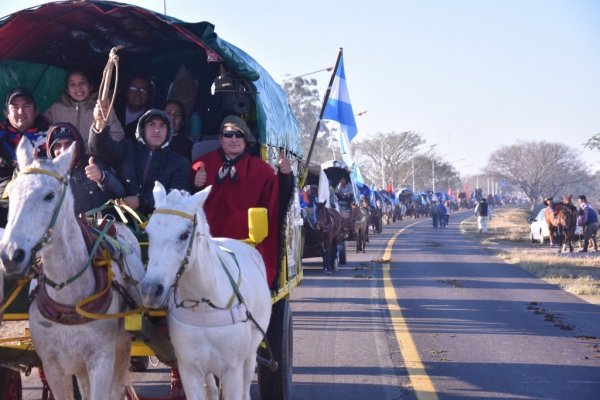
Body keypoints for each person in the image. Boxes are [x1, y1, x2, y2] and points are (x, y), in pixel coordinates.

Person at [192, 115, 292, 287]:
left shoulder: (261, 170)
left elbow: (277, 200)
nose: (234, 139)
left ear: (246, 141)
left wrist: (285, 176)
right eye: (228, 134)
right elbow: (184, 200)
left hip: (244, 247)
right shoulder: (202, 164)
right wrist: (195, 185)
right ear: (220, 139)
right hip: (205, 243)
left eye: (239, 135)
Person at [90, 104, 191, 215]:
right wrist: (99, 125)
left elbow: (177, 197)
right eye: (151, 125)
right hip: (120, 217)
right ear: (142, 129)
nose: (157, 130)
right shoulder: (127, 148)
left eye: (162, 126)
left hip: (158, 222)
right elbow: (102, 149)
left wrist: (141, 201)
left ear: (168, 132)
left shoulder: (179, 162)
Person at [46, 122, 125, 216]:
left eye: (69, 144)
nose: (64, 150)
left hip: (96, 229)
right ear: (51, 151)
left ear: (78, 145)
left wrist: (102, 177)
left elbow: (121, 193)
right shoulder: (45, 176)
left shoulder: (93, 163)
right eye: (57, 145)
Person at [0, 87, 48, 226]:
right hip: (7, 211)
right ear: (6, 113)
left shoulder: (51, 137)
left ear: (36, 110)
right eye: (14, 107)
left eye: (26, 106)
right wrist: (23, 167)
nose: (20, 112)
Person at [44, 69, 125, 151]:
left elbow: (118, 135)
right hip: (64, 158)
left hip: (94, 160)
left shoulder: (102, 109)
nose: (78, 87)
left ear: (90, 87)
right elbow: (42, 128)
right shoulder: (56, 109)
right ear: (67, 90)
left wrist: (96, 149)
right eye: (72, 84)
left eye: (82, 82)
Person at [115, 74, 153, 143]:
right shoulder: (113, 110)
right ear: (126, 92)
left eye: (143, 90)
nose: (138, 93)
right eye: (134, 88)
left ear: (148, 95)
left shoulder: (150, 119)